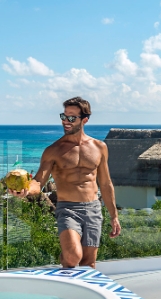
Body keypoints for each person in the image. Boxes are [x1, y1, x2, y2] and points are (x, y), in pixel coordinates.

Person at [8, 97, 121, 268]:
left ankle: (75, 285)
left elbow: (105, 184)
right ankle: (64, 261)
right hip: (68, 209)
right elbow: (38, 181)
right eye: (64, 116)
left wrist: (114, 216)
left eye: (71, 118)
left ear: (84, 120)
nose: (66, 121)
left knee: (88, 263)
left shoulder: (99, 147)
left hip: (93, 208)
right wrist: (26, 190)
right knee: (72, 257)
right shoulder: (53, 151)